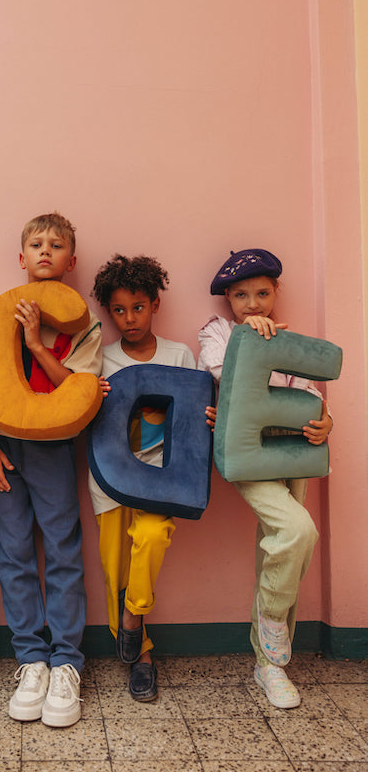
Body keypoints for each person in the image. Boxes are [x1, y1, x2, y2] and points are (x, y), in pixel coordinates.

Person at [198, 248, 333, 709]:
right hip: (245, 446)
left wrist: (325, 421)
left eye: (262, 293)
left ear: (275, 292)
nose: (253, 303)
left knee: (286, 547)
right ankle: (272, 634)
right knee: (298, 530)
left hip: (294, 447)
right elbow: (222, 372)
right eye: (241, 296)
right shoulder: (218, 331)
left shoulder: (287, 337)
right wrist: (254, 340)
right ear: (228, 300)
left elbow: (310, 391)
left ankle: (269, 665)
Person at [0, 212, 102, 728]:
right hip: (3, 446)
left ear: (71, 260)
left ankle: (66, 661)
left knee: (61, 548)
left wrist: (35, 344)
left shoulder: (85, 325)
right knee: (12, 549)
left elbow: (77, 389)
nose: (46, 252)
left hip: (53, 447)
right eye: (36, 244)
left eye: (56, 245)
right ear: (22, 257)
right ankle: (30, 657)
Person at [90, 254, 195, 703]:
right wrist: (88, 397)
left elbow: (189, 418)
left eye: (137, 307)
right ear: (108, 312)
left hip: (160, 478)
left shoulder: (179, 355)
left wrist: (205, 416)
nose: (129, 319)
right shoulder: (100, 360)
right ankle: (142, 657)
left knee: (151, 539)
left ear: (154, 304)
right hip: (110, 479)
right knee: (114, 567)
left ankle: (134, 621)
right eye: (118, 310)